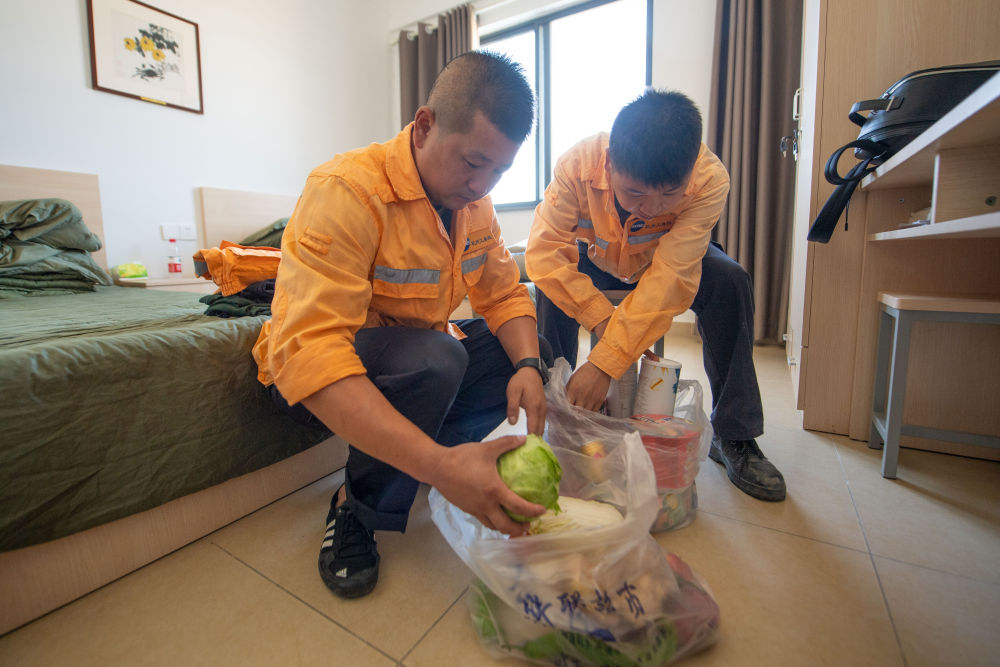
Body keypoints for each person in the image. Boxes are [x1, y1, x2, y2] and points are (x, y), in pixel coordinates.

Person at [253, 51, 554, 600]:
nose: (482, 184)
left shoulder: (474, 205)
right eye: (472, 162)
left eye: (500, 171)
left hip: (412, 357)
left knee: (521, 350)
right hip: (307, 385)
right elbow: (311, 352)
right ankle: (357, 509)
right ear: (424, 126)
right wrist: (441, 467)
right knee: (438, 358)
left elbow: (504, 293)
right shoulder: (346, 190)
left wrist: (530, 366)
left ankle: (407, 464)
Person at [525, 89, 786, 502]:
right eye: (634, 194)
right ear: (610, 165)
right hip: (598, 254)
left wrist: (607, 361)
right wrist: (603, 321)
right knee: (551, 288)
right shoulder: (576, 166)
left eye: (668, 195)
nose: (650, 209)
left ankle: (736, 436)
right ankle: (561, 415)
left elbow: (670, 279)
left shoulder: (709, 179)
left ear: (690, 170)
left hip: (663, 259)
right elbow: (543, 253)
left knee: (730, 281)